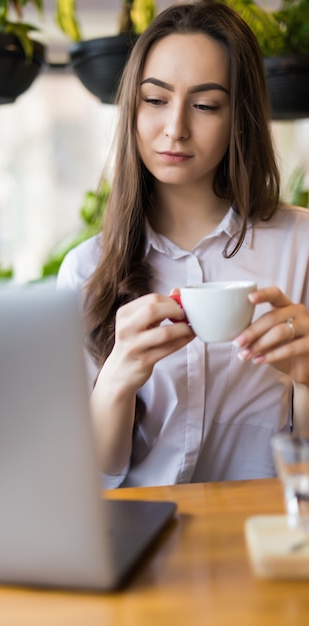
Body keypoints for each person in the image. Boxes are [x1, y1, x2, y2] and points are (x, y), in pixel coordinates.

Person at [57, 1, 309, 488]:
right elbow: (87, 483)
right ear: (132, 107)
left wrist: (305, 376)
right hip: (142, 539)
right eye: (155, 100)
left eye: (206, 105)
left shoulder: (300, 245)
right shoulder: (87, 268)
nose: (175, 127)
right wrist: (117, 378)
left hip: (267, 531)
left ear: (242, 116)